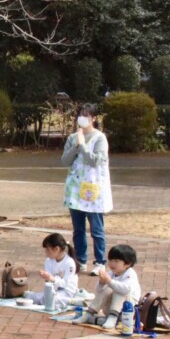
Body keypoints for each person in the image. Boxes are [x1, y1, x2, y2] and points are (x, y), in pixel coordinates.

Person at [61, 105, 112, 277]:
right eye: (80, 115)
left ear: (93, 118)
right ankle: (80, 260)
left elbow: (95, 161)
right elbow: (65, 160)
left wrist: (83, 146)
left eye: (86, 115)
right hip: (75, 189)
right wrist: (76, 145)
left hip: (93, 190)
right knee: (78, 229)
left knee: (96, 229)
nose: (82, 118)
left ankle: (100, 262)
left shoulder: (99, 138)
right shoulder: (72, 137)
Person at [73, 244, 140, 329]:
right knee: (108, 288)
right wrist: (101, 283)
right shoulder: (111, 273)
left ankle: (112, 318)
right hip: (109, 309)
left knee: (118, 290)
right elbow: (98, 291)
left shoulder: (130, 274)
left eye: (116, 261)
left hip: (127, 311)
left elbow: (127, 290)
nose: (112, 263)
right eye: (110, 260)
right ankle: (89, 314)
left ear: (128, 264)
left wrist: (109, 281)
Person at [27, 233, 78, 311]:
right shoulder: (49, 261)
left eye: (48, 249)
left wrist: (52, 279)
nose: (46, 252)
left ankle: (69, 301)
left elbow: (66, 283)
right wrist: (47, 278)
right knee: (31, 297)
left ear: (57, 249)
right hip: (54, 290)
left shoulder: (69, 263)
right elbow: (49, 283)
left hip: (66, 292)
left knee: (49, 300)